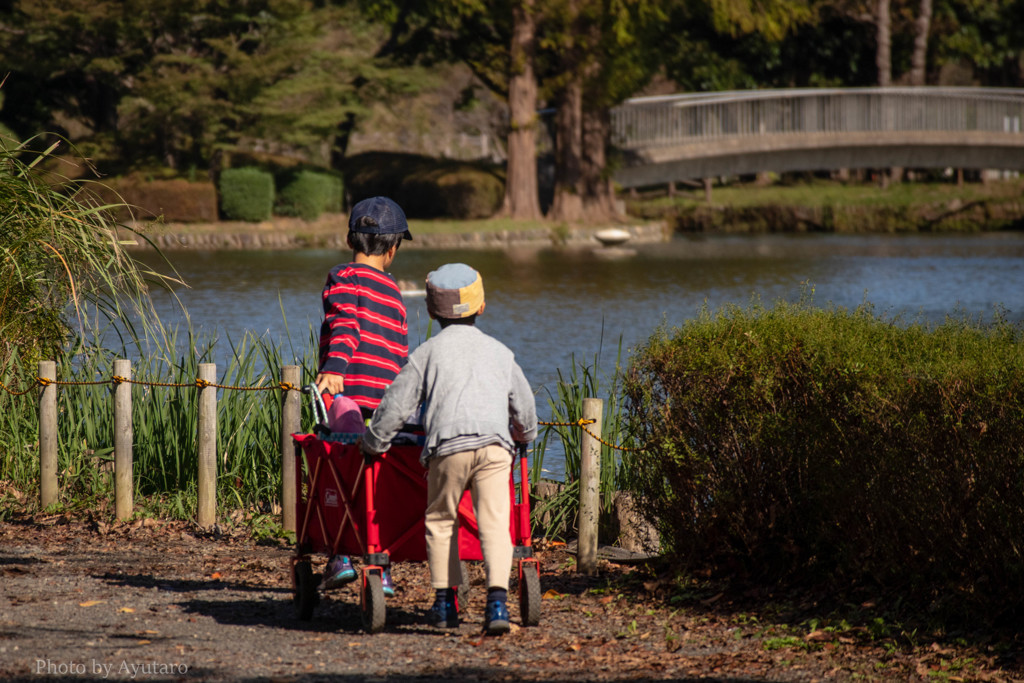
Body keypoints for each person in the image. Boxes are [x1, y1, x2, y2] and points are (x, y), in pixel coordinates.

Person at [359, 263, 538, 635]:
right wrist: (525, 435)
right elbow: (524, 406)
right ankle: (498, 604)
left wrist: (374, 442)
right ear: (482, 306)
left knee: (441, 521)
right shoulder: (500, 353)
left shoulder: (426, 355)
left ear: (429, 311)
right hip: (494, 447)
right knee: (494, 524)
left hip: (448, 447)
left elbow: (396, 404)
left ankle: (443, 603)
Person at [315, 196, 412, 596]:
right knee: (379, 482)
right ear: (392, 249)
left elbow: (345, 324)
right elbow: (401, 351)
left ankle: (339, 555)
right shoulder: (394, 292)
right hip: (388, 402)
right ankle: (382, 566)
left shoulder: (343, 276)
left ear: (350, 238)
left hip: (348, 394)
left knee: (337, 469)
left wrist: (334, 369)